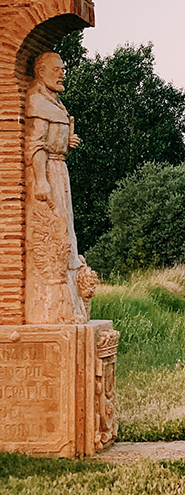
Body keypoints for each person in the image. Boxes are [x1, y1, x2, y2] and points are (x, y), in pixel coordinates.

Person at [24, 51, 89, 324]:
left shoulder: (56, 103)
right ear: (41, 71)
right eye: (57, 69)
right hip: (49, 172)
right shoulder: (37, 101)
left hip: (60, 170)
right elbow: (35, 144)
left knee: (67, 230)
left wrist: (66, 142)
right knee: (56, 229)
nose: (62, 73)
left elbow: (53, 142)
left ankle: (74, 299)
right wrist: (40, 180)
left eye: (64, 68)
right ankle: (54, 306)